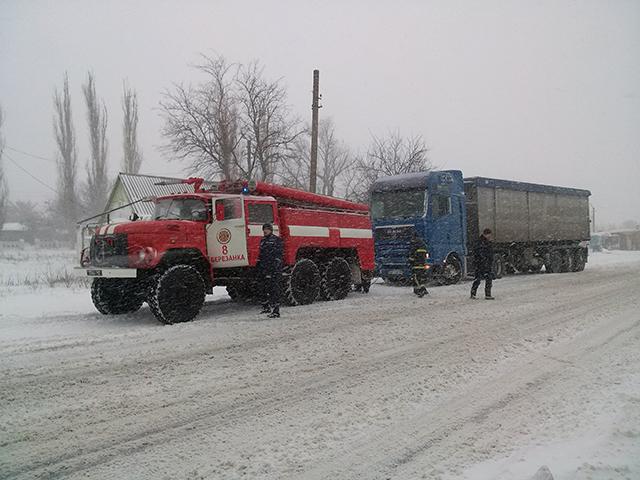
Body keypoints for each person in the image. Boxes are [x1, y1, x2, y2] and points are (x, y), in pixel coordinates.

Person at [257, 223, 284, 318]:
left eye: (267, 229)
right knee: (264, 288)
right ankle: (266, 307)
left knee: (274, 289)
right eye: (264, 229)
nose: (265, 231)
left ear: (271, 230)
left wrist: (275, 266)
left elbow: (279, 254)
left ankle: (276, 311)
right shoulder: (263, 240)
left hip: (273, 269)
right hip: (264, 268)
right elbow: (261, 254)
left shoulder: (276, 240)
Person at [470, 228, 495, 300]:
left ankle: (475, 293)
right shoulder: (482, 242)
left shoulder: (484, 242)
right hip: (481, 263)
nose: (490, 237)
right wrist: (484, 260)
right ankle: (484, 294)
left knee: (481, 279)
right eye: (489, 235)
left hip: (483, 263)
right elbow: (480, 252)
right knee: (481, 279)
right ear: (485, 234)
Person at [408, 233, 429, 297]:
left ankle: (420, 290)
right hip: (422, 263)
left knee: (416, 277)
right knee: (421, 276)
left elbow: (412, 254)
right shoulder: (422, 244)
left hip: (416, 264)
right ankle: (423, 289)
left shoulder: (414, 244)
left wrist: (410, 260)